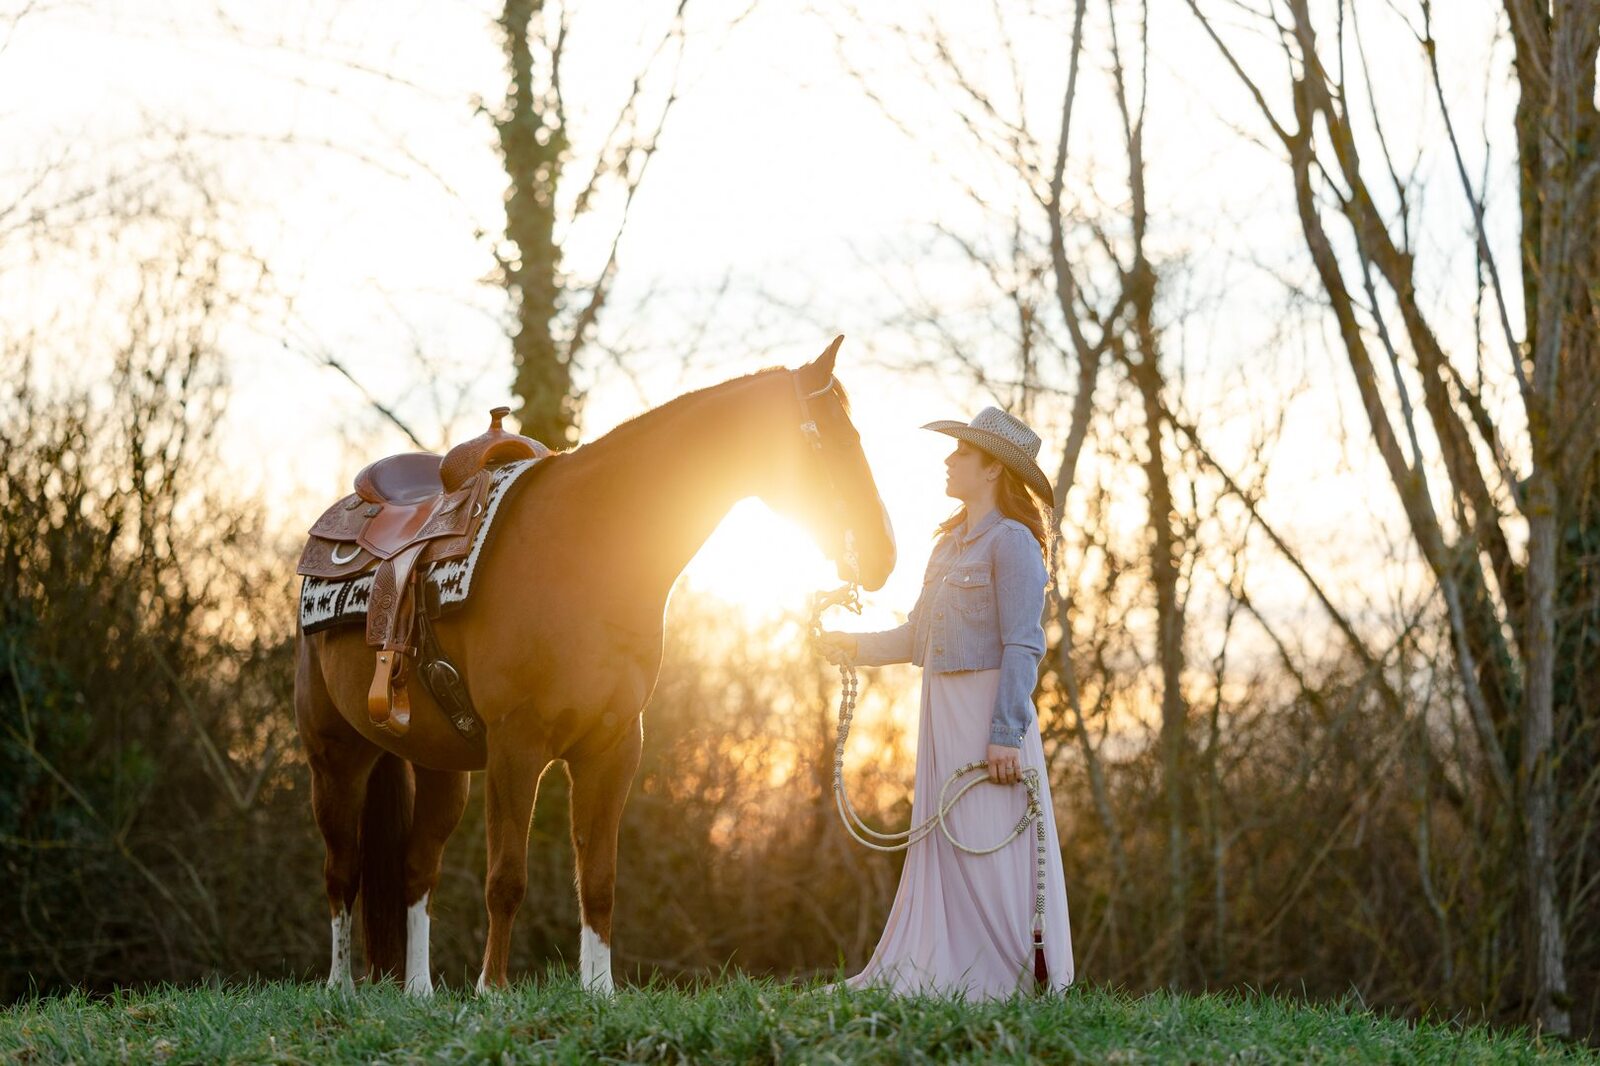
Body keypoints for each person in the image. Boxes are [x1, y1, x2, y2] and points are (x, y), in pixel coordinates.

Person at [812, 405, 1074, 999]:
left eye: (962, 453)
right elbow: (915, 638)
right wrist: (853, 645)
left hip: (988, 714)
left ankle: (1005, 978)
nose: (949, 460)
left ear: (991, 470)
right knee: (948, 841)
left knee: (989, 839)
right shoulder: (949, 546)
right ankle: (945, 971)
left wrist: (1006, 733)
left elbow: (1024, 644)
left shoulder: (1012, 544)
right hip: (943, 711)